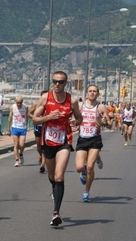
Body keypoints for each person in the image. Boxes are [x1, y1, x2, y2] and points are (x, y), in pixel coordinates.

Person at [32, 71, 82, 226]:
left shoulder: (71, 101)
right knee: (52, 176)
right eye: (55, 81)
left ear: (66, 83)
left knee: (60, 176)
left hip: (64, 141)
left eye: (61, 82)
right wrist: (48, 117)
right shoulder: (46, 98)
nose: (57, 84)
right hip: (47, 141)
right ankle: (54, 187)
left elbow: (79, 117)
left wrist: (75, 122)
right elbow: (34, 119)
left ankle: (56, 213)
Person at [74, 85, 111, 202]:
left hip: (95, 139)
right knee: (80, 167)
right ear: (86, 94)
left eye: (94, 91)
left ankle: (86, 192)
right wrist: (73, 123)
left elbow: (109, 124)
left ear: (98, 94)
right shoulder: (79, 106)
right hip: (82, 138)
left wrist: (104, 122)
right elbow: (73, 119)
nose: (92, 93)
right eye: (90, 91)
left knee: (90, 167)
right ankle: (86, 169)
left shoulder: (101, 107)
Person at [28, 90, 48, 173]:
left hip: (47, 127)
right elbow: (29, 113)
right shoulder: (36, 104)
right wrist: (35, 117)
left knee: (45, 147)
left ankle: (43, 164)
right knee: (39, 147)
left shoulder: (50, 105)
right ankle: (41, 156)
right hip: (38, 127)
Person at [7, 95, 28, 167]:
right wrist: (8, 129)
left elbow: (26, 116)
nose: (19, 104)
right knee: (16, 144)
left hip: (22, 127)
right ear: (15, 102)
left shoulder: (25, 107)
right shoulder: (12, 107)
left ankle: (21, 154)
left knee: (21, 144)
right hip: (15, 127)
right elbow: (9, 118)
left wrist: (26, 125)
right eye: (17, 102)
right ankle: (17, 160)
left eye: (20, 103)